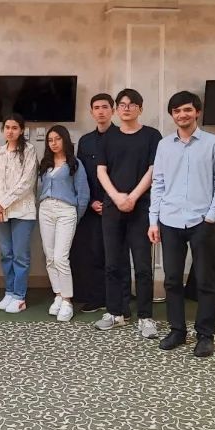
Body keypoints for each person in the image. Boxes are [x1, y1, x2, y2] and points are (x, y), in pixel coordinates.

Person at [147, 91, 215, 357]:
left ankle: (205, 334)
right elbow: (158, 183)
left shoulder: (213, 144)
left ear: (197, 112)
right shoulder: (164, 145)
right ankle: (177, 330)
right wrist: (153, 220)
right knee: (172, 280)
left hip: (201, 221)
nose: (182, 115)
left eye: (187, 109)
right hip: (169, 220)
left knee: (205, 281)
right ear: (172, 115)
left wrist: (211, 216)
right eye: (176, 111)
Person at [95, 88, 162, 337]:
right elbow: (101, 171)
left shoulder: (152, 136)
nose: (126, 108)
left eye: (132, 104)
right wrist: (116, 197)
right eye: (122, 104)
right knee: (113, 263)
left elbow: (154, 170)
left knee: (143, 266)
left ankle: (145, 317)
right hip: (113, 207)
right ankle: (116, 313)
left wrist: (132, 197)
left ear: (140, 109)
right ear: (116, 109)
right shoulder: (108, 137)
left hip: (141, 208)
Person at [72, 93, 124, 313]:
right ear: (91, 112)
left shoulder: (122, 137)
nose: (101, 111)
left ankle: (119, 298)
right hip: (92, 206)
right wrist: (92, 200)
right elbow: (82, 175)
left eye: (105, 107)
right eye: (96, 108)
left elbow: (123, 173)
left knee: (116, 254)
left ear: (113, 110)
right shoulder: (85, 141)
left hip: (117, 204)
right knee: (93, 252)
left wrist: (111, 200)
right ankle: (96, 297)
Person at [0, 113, 38, 314]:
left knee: (20, 256)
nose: (10, 131)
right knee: (6, 254)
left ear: (21, 130)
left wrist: (2, 204)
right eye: (7, 127)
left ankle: (19, 296)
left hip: (23, 212)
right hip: (1, 213)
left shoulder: (29, 150)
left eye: (15, 127)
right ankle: (9, 292)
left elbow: (26, 183)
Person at [37, 125, 90, 322]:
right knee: (50, 256)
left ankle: (67, 300)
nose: (54, 143)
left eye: (57, 139)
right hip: (45, 210)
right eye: (50, 140)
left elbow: (83, 194)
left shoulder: (75, 164)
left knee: (61, 257)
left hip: (66, 211)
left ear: (65, 140)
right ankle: (58, 295)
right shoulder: (45, 164)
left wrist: (75, 216)